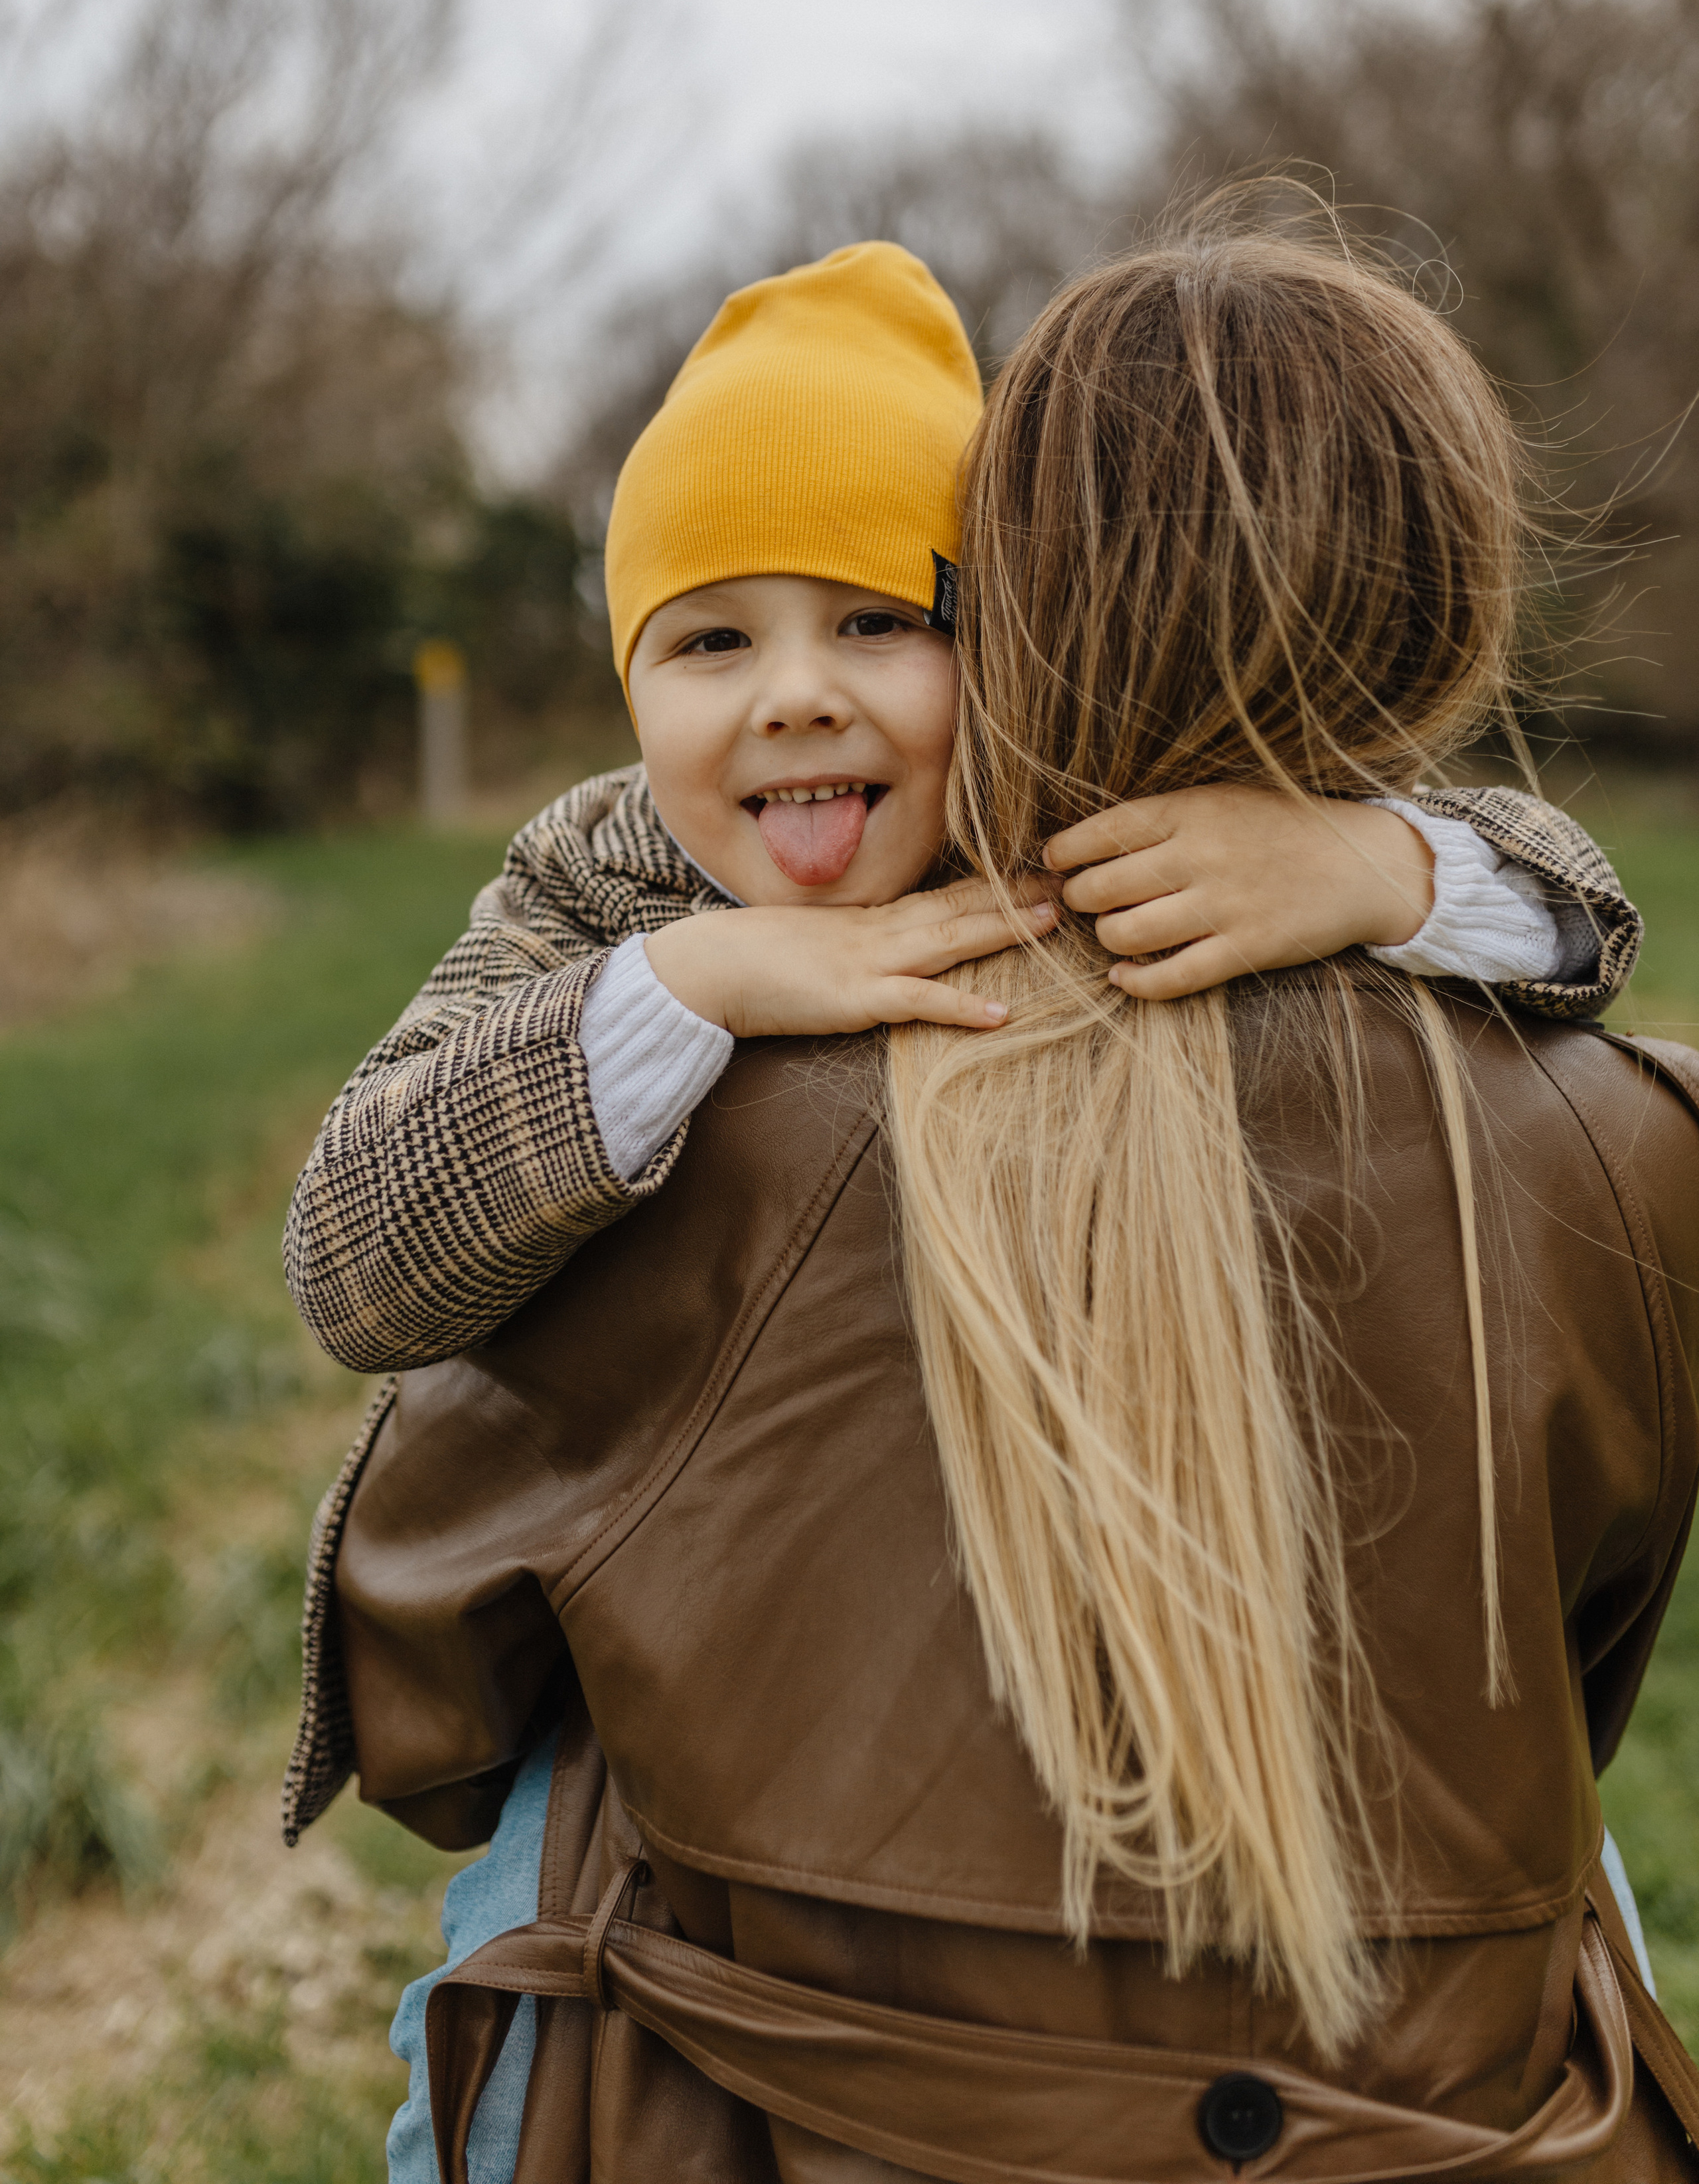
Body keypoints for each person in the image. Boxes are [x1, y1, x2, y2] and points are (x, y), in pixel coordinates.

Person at [295, 213, 1697, 2183]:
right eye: (710, 638)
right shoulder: (607, 889)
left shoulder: (1073, 831)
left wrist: (1377, 871)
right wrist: (689, 993)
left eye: (882, 621)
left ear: (1019, 643)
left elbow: (1579, 901)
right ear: (630, 691)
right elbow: (357, 1249)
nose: (794, 697)